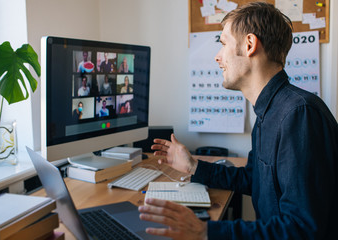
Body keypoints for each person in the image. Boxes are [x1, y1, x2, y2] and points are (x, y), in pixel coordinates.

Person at [138, 2, 338, 239]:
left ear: (250, 45)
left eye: (223, 44)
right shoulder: (269, 111)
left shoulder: (298, 115)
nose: (217, 57)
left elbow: (302, 230)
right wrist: (193, 166)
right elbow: (254, 180)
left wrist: (206, 231)